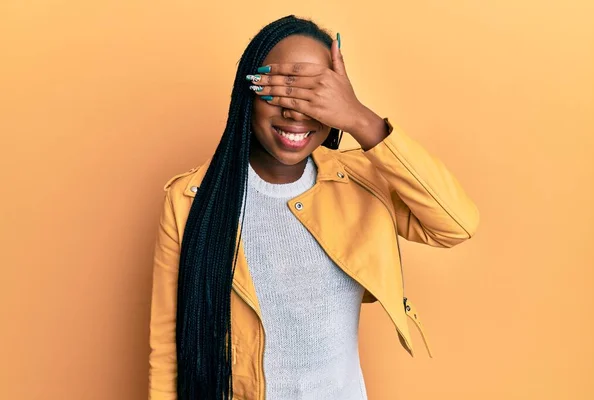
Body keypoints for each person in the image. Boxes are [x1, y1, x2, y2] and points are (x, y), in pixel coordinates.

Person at [149, 14, 480, 400]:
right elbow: (169, 346)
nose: (295, 111)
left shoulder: (362, 181)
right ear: (248, 94)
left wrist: (360, 118)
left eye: (314, 94)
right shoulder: (190, 199)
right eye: (278, 91)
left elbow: (456, 224)